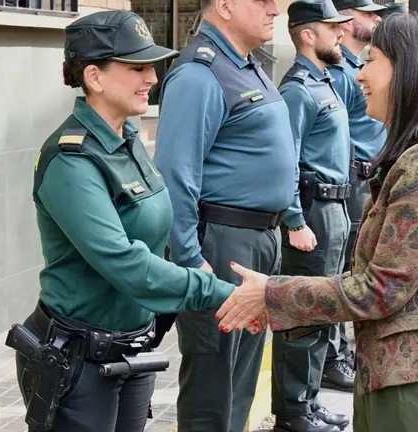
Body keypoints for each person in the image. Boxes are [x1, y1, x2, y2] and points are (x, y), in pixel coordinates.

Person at [217, 13, 418, 432]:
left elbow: (381, 289)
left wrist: (272, 295)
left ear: (410, 72)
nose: (360, 73)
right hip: (406, 379)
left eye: (373, 60)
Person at [11, 11, 237, 432]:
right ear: (94, 77)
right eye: (137, 67)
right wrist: (220, 292)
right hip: (79, 362)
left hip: (131, 350)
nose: (151, 77)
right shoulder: (72, 158)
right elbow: (126, 264)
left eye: (151, 65)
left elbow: (155, 234)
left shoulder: (128, 140)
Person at [153, 0, 297, 431]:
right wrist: (192, 261)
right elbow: (175, 177)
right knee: (213, 384)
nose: (275, 8)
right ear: (226, 6)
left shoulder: (247, 65)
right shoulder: (200, 74)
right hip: (222, 243)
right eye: (263, 0)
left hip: (256, 240)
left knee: (240, 379)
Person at [270, 2, 355, 430]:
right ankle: (292, 411)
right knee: (303, 314)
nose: (342, 33)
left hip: (335, 207)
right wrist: (294, 220)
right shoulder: (298, 90)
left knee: (324, 311)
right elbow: (284, 161)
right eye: (333, 27)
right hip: (313, 212)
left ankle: (309, 399)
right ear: (307, 34)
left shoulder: (325, 81)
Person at [322, 0, 387, 393]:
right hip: (350, 180)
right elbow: (335, 139)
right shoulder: (343, 73)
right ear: (346, 20)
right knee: (341, 271)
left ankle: (339, 353)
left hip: (366, 177)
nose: (376, 19)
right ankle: (334, 358)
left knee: (352, 268)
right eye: (367, 13)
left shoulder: (352, 66)